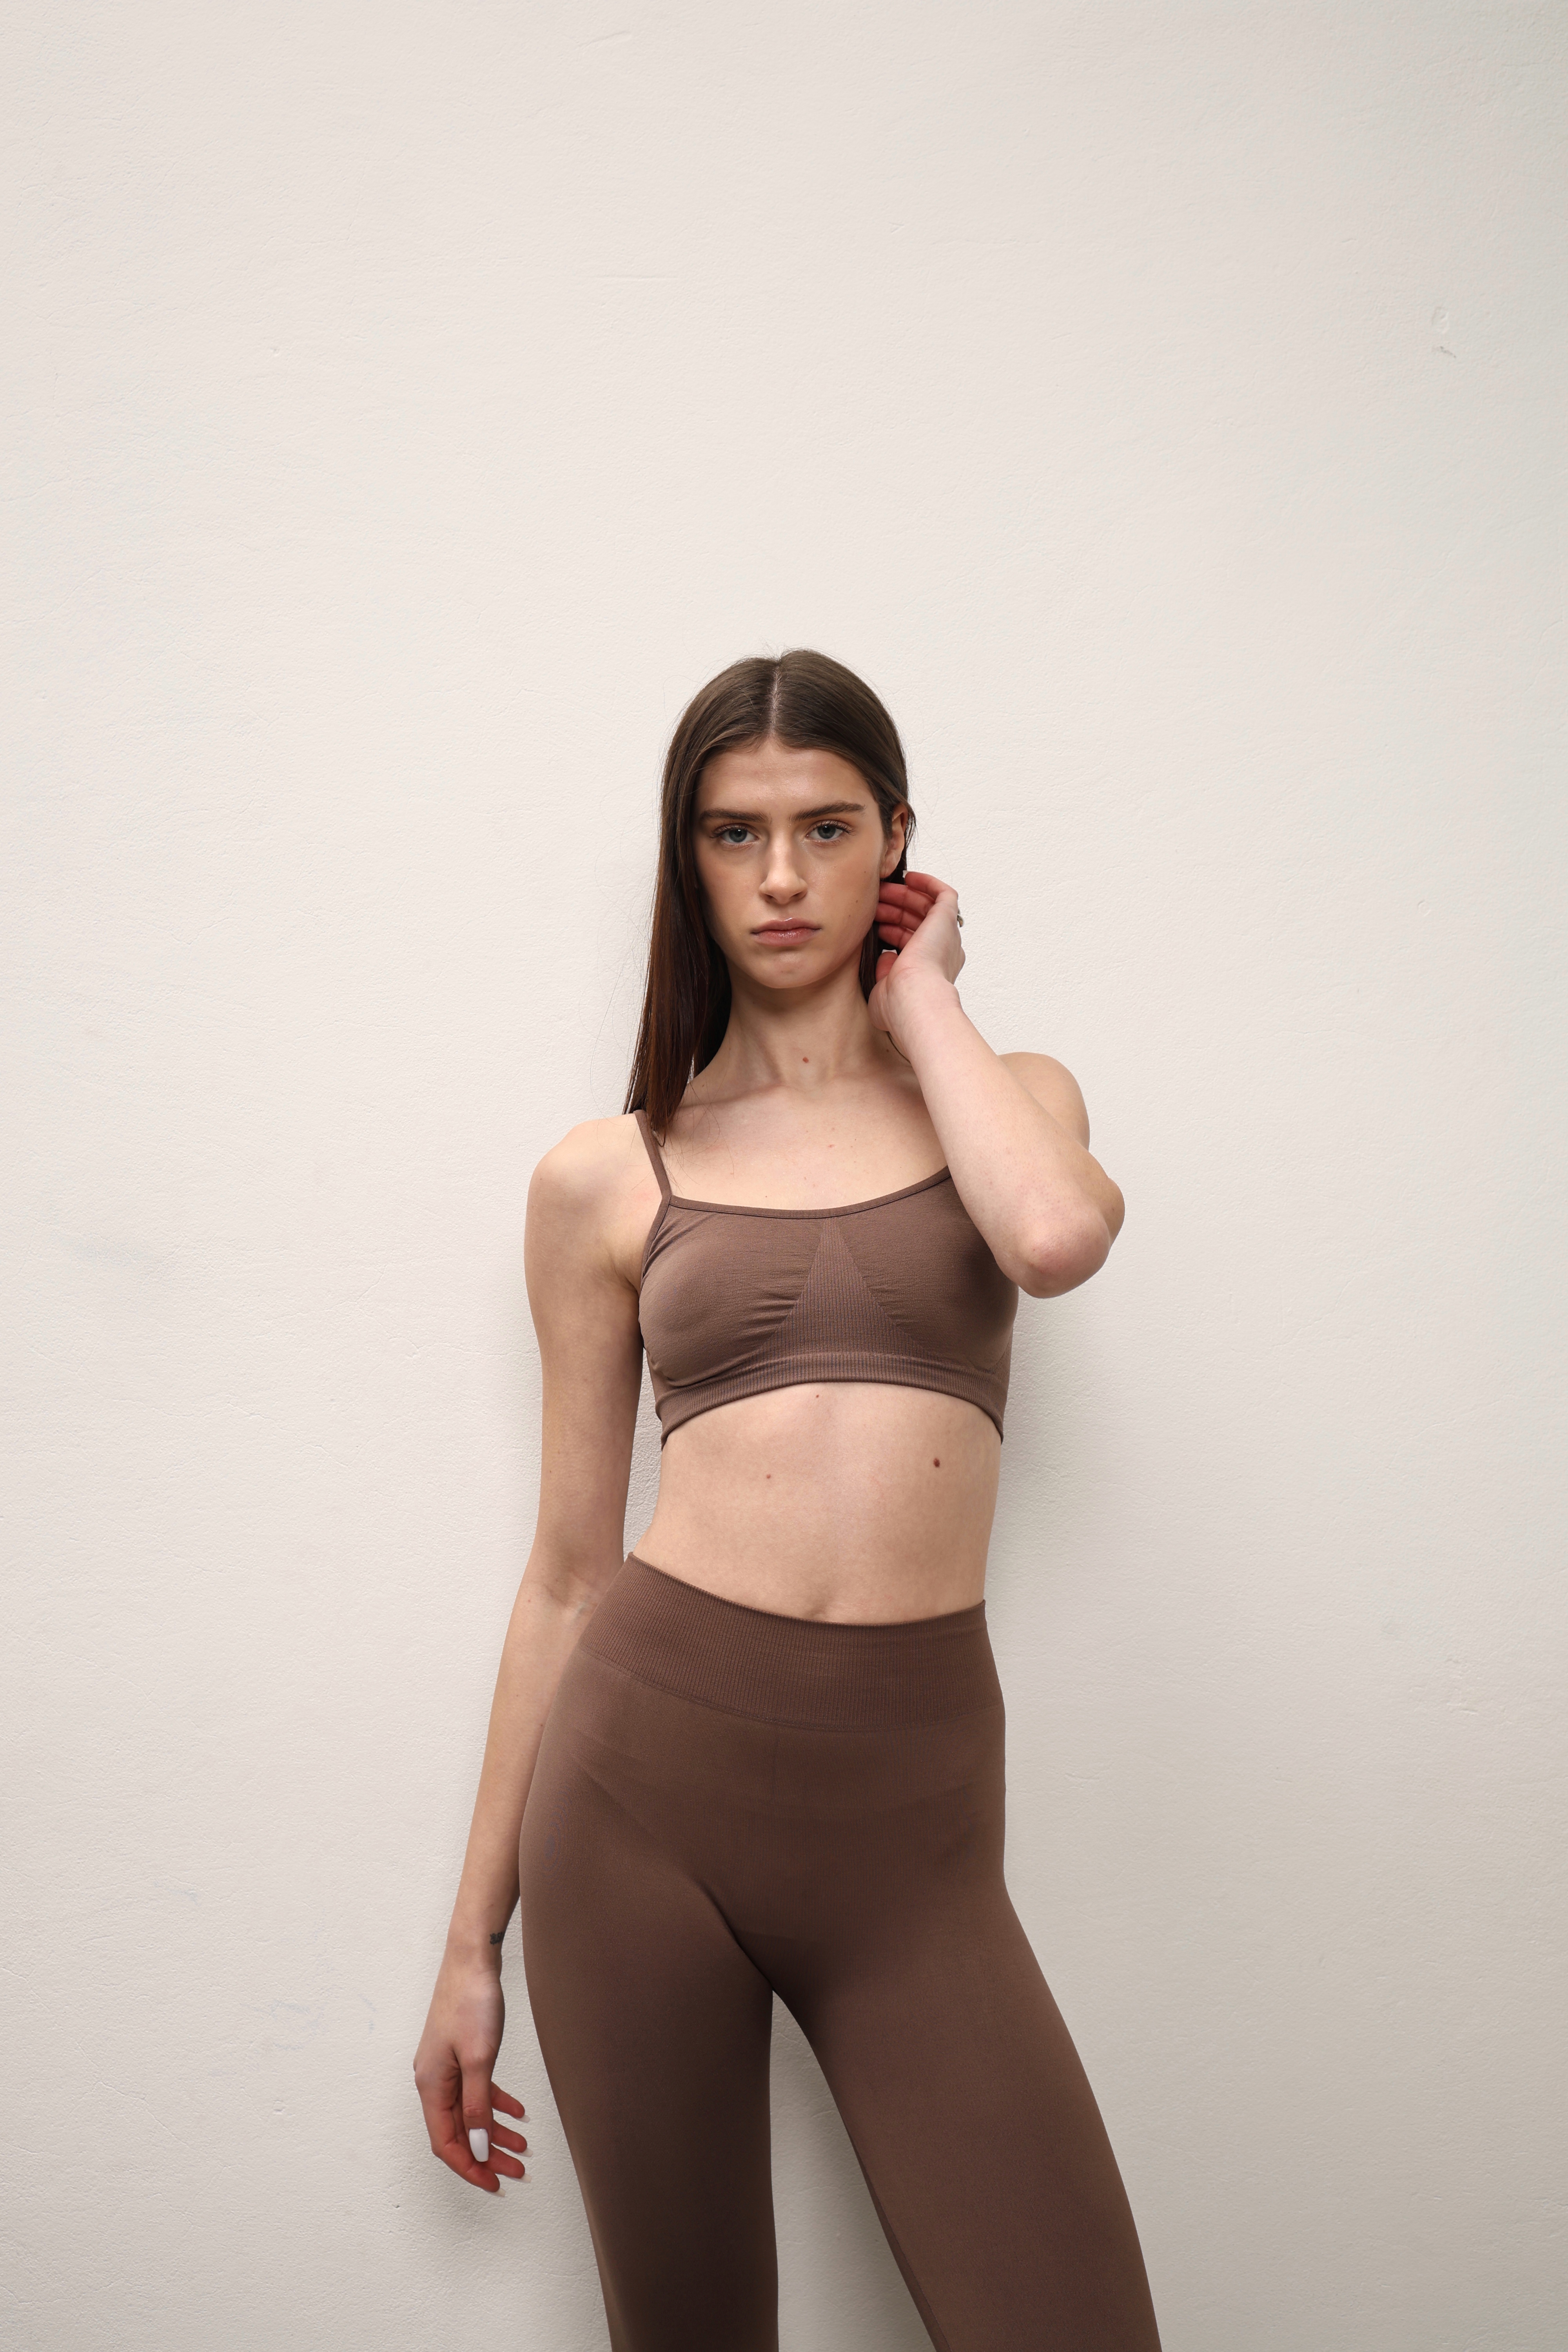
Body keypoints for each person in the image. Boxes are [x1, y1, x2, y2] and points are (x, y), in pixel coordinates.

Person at [412, 650, 1162, 2351]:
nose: (778, 878)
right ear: (685, 860)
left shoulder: (1012, 1103)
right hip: (641, 1799)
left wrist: (925, 999)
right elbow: (567, 1575)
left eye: (826, 829)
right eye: (733, 834)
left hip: (916, 1830)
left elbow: (1054, 1240)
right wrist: (471, 1946)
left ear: (898, 841)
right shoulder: (611, 1174)